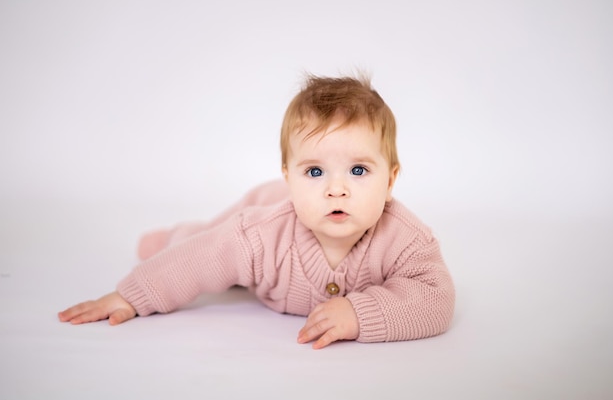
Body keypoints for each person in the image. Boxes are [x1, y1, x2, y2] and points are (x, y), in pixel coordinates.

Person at [58, 74, 455, 349]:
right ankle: (173, 233)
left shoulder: (406, 239)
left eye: (358, 170)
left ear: (390, 181)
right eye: (314, 171)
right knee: (208, 239)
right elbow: (199, 260)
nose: (337, 188)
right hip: (257, 205)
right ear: (289, 176)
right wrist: (134, 295)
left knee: (226, 261)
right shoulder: (259, 232)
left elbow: (436, 299)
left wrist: (359, 314)